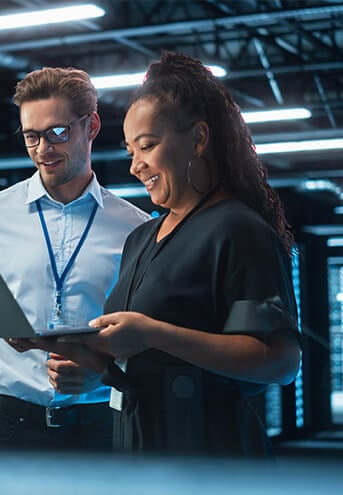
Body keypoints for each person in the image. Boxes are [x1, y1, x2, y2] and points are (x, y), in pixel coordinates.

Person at [35, 52, 302, 458]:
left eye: (148, 146)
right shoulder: (141, 238)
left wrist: (150, 332)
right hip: (139, 455)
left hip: (212, 460)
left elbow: (280, 362)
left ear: (198, 138)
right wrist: (96, 372)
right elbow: (149, 363)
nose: (135, 167)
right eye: (130, 152)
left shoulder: (238, 229)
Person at [0, 66, 149, 457]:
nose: (43, 149)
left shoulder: (136, 228)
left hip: (101, 433)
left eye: (57, 132)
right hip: (6, 432)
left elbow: (148, 344)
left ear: (91, 126)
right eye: (31, 136)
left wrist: (101, 371)